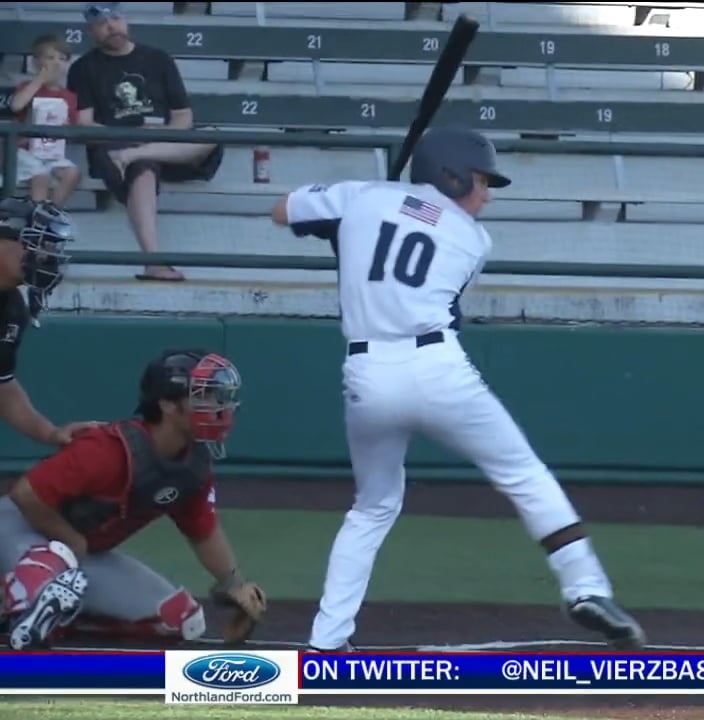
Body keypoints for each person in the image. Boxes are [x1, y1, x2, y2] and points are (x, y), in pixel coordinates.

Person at [271, 126, 647, 653]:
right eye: (481, 181)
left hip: (366, 374)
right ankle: (586, 588)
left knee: (373, 507)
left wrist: (347, 216)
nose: (487, 194)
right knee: (522, 474)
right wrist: (369, 211)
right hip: (436, 367)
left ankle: (328, 639)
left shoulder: (363, 197)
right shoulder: (472, 240)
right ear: (449, 176)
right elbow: (415, 242)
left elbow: (282, 211)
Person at [0, 348, 267, 650]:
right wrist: (71, 540)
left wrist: (235, 585)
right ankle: (21, 609)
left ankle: (56, 614)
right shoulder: (108, 448)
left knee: (180, 618)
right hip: (16, 533)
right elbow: (27, 494)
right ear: (167, 403)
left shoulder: (192, 466)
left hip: (78, 558)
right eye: (204, 396)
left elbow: (203, 531)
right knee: (50, 563)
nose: (220, 407)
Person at [67, 2, 225, 283]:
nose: (111, 26)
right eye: (103, 23)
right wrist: (127, 139)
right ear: (92, 30)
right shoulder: (83, 68)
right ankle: (153, 262)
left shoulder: (158, 59)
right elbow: (85, 125)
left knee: (212, 133)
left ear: (126, 20)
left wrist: (156, 137)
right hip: (114, 147)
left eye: (115, 18)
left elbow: (183, 116)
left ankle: (138, 154)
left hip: (165, 145)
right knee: (143, 165)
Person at [0, 199, 96, 440]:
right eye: (35, 244)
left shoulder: (12, 310)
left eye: (49, 248)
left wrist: (51, 433)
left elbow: (2, 387)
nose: (44, 257)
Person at [8, 34, 83, 208]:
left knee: (72, 173)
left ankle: (50, 212)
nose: (56, 63)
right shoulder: (27, 87)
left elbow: (73, 127)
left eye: (62, 59)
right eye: (50, 58)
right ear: (36, 62)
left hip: (52, 151)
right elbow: (17, 106)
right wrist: (40, 79)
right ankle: (36, 220)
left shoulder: (69, 96)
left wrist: (67, 127)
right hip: (25, 150)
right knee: (40, 177)